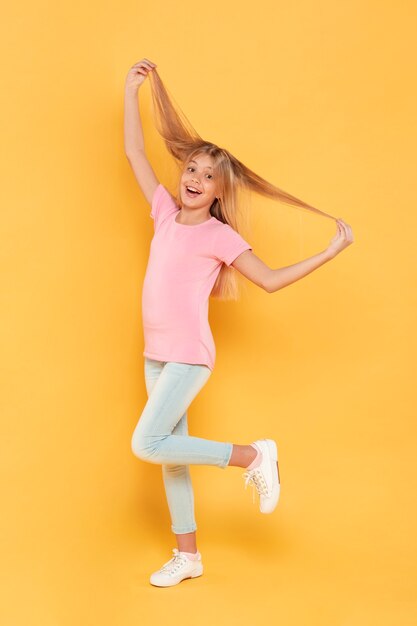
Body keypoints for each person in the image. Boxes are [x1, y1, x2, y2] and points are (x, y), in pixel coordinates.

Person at [124, 58, 354, 588]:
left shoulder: (219, 237)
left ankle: (253, 454)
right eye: (192, 170)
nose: (197, 179)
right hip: (154, 354)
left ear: (220, 192)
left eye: (209, 176)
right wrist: (130, 92)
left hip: (187, 357)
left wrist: (330, 251)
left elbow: (269, 280)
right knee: (169, 457)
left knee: (147, 443)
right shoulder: (162, 211)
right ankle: (190, 556)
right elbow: (135, 152)